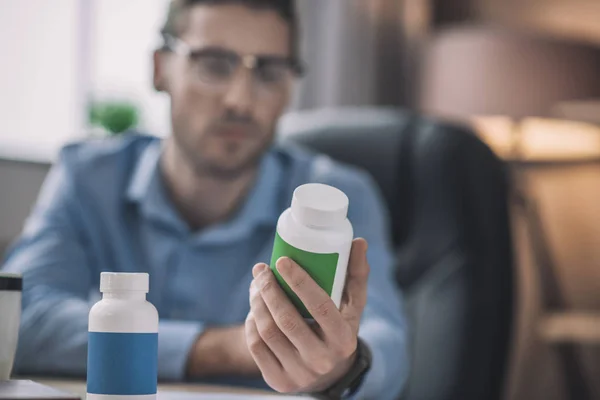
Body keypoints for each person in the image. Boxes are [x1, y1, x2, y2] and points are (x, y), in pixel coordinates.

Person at [2, 0, 408, 398]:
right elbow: (20, 320)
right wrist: (225, 349)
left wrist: (338, 367)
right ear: (160, 69)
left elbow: (386, 346)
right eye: (214, 64)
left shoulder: (335, 197)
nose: (240, 101)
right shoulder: (88, 177)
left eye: (269, 72)